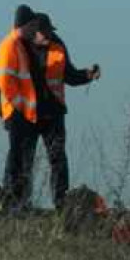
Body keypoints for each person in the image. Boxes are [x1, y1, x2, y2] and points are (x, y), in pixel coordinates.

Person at [34, 12, 102, 210]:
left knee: (58, 159)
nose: (47, 35)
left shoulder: (58, 45)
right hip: (28, 113)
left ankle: (61, 205)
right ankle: (19, 205)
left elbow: (69, 76)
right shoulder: (22, 47)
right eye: (43, 31)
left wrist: (88, 74)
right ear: (33, 32)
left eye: (49, 31)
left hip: (54, 112)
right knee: (24, 160)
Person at [0, 10, 50, 212]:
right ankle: (11, 202)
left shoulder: (18, 45)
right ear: (24, 25)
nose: (36, 30)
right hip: (17, 112)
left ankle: (19, 201)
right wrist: (20, 106)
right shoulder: (9, 46)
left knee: (22, 159)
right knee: (16, 159)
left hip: (23, 112)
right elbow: (4, 82)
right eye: (33, 26)